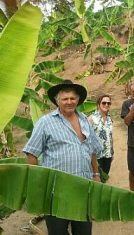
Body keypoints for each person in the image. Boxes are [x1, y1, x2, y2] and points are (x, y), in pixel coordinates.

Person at [23, 80, 102, 235]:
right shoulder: (45, 122)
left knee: (84, 231)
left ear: (78, 100)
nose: (69, 102)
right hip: (56, 192)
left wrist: (96, 174)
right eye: (65, 99)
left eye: (72, 98)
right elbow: (31, 154)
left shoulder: (84, 120)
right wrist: (39, 185)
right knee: (58, 231)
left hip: (83, 188)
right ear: (57, 101)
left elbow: (92, 149)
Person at [88, 94, 114, 175]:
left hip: (107, 154)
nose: (106, 105)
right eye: (104, 103)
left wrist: (112, 152)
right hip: (96, 156)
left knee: (104, 176)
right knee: (96, 178)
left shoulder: (110, 119)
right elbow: (87, 139)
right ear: (98, 104)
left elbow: (110, 136)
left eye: (108, 103)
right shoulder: (91, 118)